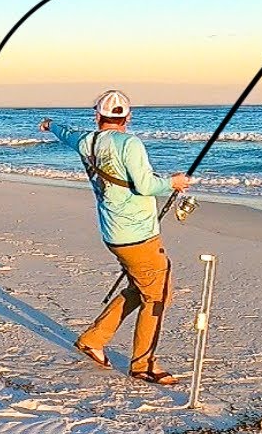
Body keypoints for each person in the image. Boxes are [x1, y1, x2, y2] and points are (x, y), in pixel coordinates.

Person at [39, 89, 191, 385]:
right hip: (138, 236)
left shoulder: (88, 141)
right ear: (128, 117)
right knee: (158, 296)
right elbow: (146, 186)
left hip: (113, 232)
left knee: (140, 287)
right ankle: (143, 365)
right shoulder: (130, 144)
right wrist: (173, 183)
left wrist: (49, 124)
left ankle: (93, 339)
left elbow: (65, 133)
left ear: (98, 116)